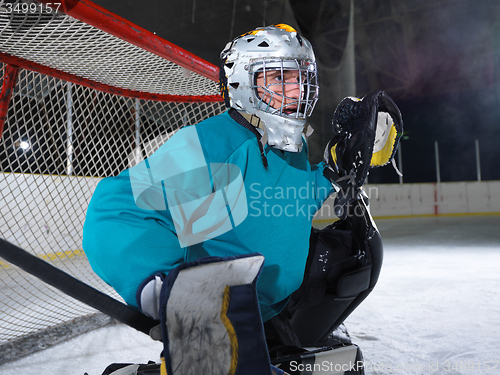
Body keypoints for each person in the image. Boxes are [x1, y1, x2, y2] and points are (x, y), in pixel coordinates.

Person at [83, 24, 402, 375]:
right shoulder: (217, 147)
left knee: (355, 254)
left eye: (300, 78)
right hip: (224, 314)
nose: (295, 90)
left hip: (271, 302)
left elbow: (280, 203)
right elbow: (114, 211)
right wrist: (168, 288)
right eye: (278, 79)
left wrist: (332, 169)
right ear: (243, 83)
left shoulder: (288, 147)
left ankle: (282, 337)